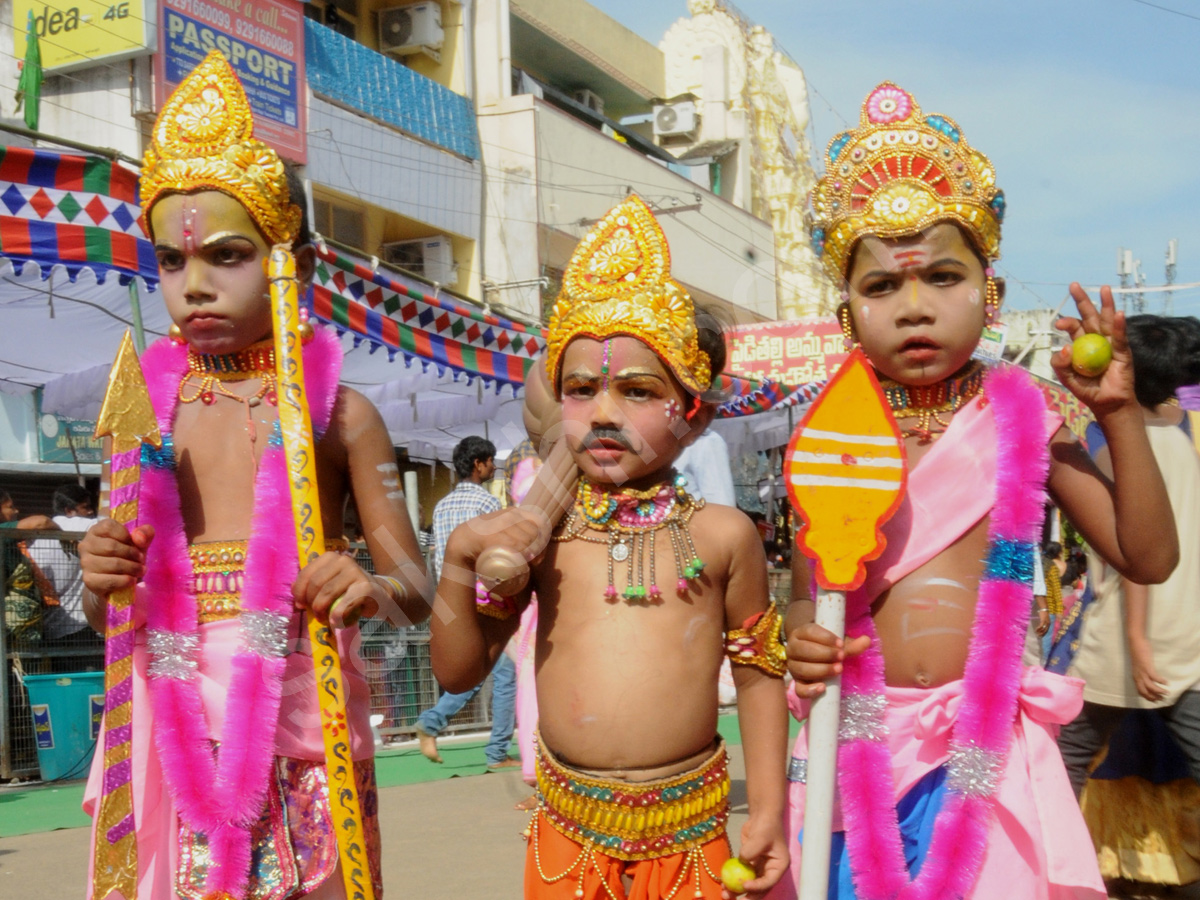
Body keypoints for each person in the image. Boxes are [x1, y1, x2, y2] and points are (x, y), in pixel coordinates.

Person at [781, 83, 1176, 900]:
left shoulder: (1023, 419)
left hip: (988, 741)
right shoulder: (829, 438)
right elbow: (804, 596)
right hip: (861, 735)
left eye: (943, 277)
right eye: (882, 286)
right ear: (846, 310)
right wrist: (802, 640)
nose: (914, 308)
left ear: (989, 293)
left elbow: (1149, 556)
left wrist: (1119, 414)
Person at [77, 52, 428, 900]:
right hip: (169, 721)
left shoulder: (340, 417)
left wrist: (366, 586)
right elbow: (107, 612)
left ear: (293, 265)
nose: (193, 286)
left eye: (225, 257)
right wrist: (99, 578)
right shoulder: (142, 410)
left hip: (301, 717)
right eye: (169, 262)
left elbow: (417, 588)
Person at [431, 195, 789, 899]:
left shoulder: (724, 535)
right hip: (570, 837)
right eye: (581, 389)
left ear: (695, 415)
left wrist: (771, 807)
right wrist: (456, 565)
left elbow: (757, 674)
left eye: (635, 391)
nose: (602, 411)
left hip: (692, 837)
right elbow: (455, 674)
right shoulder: (539, 534)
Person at [1058, 314, 1200, 887]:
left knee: (1063, 755)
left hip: (1130, 634)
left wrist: (1137, 640)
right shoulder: (1181, 434)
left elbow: (1136, 561)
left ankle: (1051, 865)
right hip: (1186, 625)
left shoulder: (1124, 446)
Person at [414, 436, 519, 770]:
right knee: (502, 673)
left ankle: (435, 725)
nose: (492, 467)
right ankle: (495, 751)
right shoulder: (487, 504)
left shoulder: (442, 506)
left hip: (450, 599)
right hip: (484, 597)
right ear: (479, 464)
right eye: (490, 461)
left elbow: (436, 558)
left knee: (477, 669)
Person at [33, 483, 104, 670]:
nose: (91, 512)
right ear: (69, 510)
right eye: (86, 507)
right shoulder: (79, 525)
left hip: (50, 629)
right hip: (82, 627)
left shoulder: (34, 538)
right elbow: (109, 525)